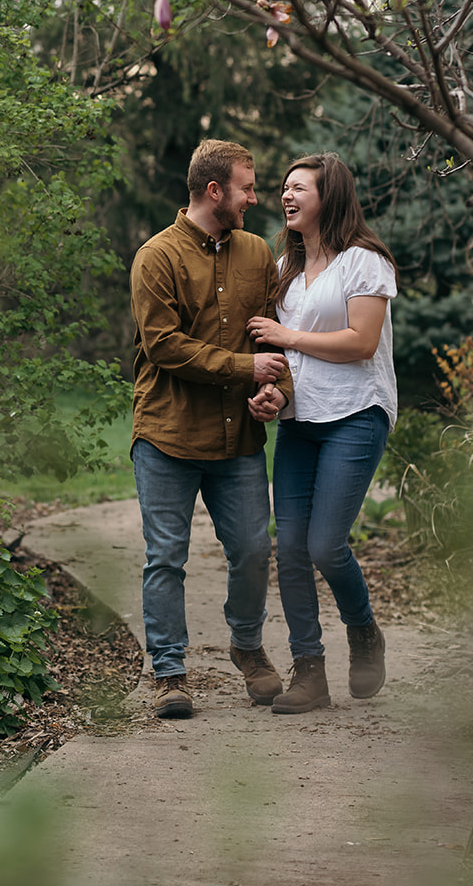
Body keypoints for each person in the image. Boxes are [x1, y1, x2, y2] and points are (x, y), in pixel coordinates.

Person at [130, 138, 294, 720]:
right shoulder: (157, 256)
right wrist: (244, 367)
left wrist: (276, 389)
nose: (256, 197)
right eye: (248, 187)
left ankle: (247, 647)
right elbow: (165, 346)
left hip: (237, 439)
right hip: (168, 436)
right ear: (215, 190)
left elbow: (274, 335)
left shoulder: (257, 255)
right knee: (166, 557)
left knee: (252, 550)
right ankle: (168, 674)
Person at [246, 153, 397, 715]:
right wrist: (275, 393)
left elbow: (360, 343)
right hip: (299, 420)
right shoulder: (287, 264)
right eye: (283, 188)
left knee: (325, 544)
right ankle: (309, 671)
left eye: (298, 189)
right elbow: (291, 357)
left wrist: (285, 334)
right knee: (289, 548)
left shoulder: (365, 262)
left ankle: (363, 631)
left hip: (356, 414)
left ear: (328, 196)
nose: (286, 197)